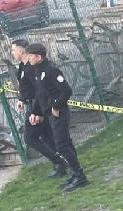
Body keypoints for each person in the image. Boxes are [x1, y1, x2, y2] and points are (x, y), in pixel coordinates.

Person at [27, 43, 89, 192]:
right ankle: (76, 173)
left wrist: (56, 106)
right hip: (48, 114)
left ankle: (80, 176)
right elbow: (40, 95)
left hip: (59, 114)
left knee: (62, 145)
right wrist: (35, 113)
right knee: (65, 143)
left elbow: (66, 91)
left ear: (39, 57)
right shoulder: (37, 71)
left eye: (30, 56)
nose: (28, 59)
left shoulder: (51, 70)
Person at [11, 40, 69, 178]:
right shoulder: (23, 66)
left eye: (13, 50)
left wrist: (36, 112)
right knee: (47, 135)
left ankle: (60, 160)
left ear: (21, 51)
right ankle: (61, 164)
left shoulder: (32, 68)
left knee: (30, 137)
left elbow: (39, 91)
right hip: (34, 104)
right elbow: (26, 87)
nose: (12, 53)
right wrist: (21, 99)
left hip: (38, 105)